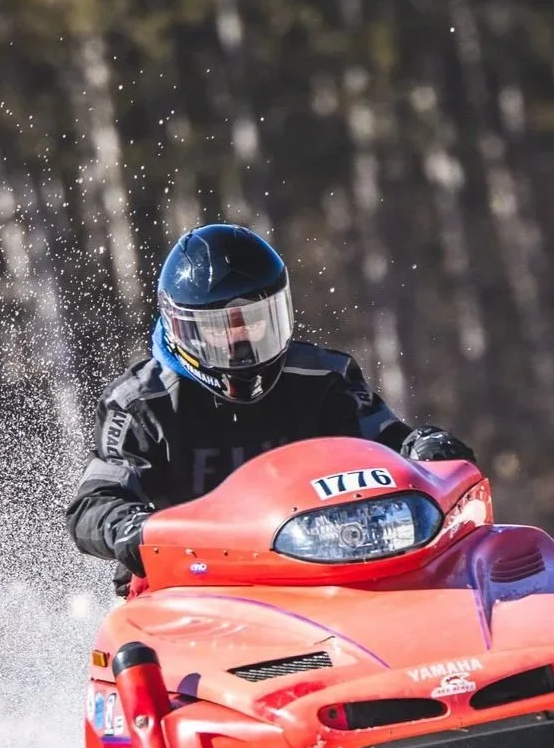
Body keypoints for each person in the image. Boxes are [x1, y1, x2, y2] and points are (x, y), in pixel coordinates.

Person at [66, 224, 477, 589]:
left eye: (257, 321)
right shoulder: (140, 403)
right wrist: (132, 529)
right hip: (192, 584)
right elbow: (93, 503)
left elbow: (390, 442)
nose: (242, 343)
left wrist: (425, 447)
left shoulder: (323, 378)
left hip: (329, 568)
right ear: (183, 330)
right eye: (222, 330)